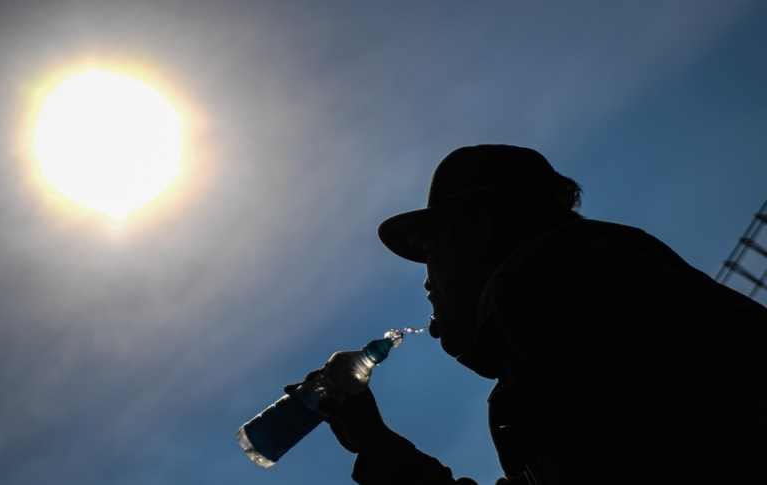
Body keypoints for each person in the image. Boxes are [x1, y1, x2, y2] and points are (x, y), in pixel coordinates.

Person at [295, 144, 767, 485]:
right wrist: (375, 444)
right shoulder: (544, 361)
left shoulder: (547, 280)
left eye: (430, 250)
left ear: (478, 234)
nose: (426, 280)